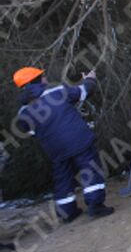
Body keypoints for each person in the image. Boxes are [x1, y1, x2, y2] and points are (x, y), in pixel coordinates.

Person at [14, 66, 114, 222]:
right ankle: (95, 205)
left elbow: (28, 130)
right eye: (43, 76)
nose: (45, 78)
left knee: (63, 179)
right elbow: (85, 91)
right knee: (90, 170)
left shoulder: (23, 112)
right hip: (78, 140)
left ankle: (67, 213)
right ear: (37, 80)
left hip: (55, 150)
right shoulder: (57, 92)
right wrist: (90, 78)